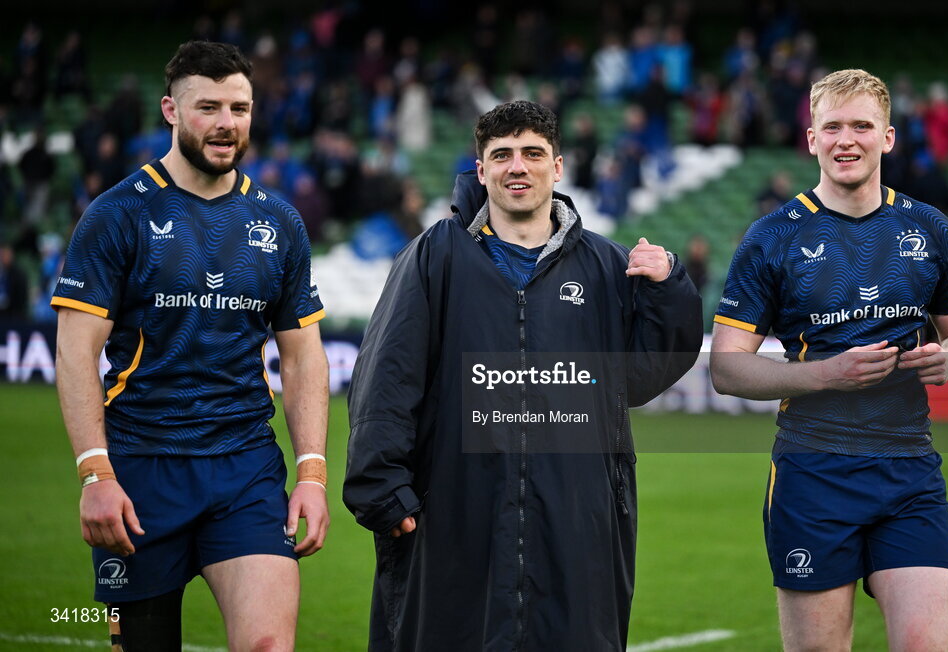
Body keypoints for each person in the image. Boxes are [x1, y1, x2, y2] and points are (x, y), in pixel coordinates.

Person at [343, 100, 703, 651]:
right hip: (456, 508)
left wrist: (669, 291)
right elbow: (387, 376)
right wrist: (379, 484)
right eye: (502, 155)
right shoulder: (435, 255)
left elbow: (636, 378)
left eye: (533, 153)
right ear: (481, 169)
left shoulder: (606, 266)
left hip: (575, 514)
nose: (518, 167)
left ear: (557, 167)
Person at [51, 41, 329, 652]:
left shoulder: (279, 221)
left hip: (246, 469)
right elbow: (75, 352)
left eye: (240, 107)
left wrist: (311, 470)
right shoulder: (116, 214)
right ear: (171, 112)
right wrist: (94, 472)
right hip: (141, 473)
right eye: (209, 107)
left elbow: (304, 354)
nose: (227, 124)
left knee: (267, 647)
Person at [710, 69, 948, 651]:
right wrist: (825, 374)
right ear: (810, 138)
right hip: (813, 473)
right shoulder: (770, 239)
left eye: (862, 126)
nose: (846, 140)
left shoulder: (929, 228)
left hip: (909, 469)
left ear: (887, 138)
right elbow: (728, 368)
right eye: (832, 126)